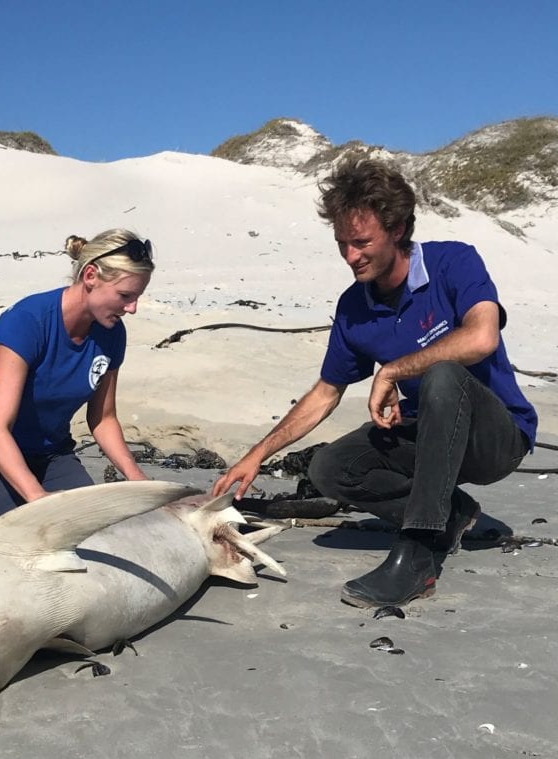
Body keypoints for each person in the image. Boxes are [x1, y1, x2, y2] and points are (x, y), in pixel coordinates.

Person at [212, 159, 537, 608]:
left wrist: (394, 369)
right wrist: (257, 454)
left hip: (495, 439)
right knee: (330, 468)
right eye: (342, 244)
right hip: (431, 437)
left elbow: (482, 337)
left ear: (398, 228)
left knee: (444, 374)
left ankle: (419, 552)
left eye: (362, 242)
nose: (350, 256)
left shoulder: (452, 262)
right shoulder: (354, 306)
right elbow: (326, 393)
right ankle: (451, 515)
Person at [0, 229, 153, 544]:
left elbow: (102, 419)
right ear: (90, 276)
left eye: (137, 297)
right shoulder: (29, 320)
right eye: (125, 296)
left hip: (51, 453)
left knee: (101, 533)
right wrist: (38, 499)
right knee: (44, 535)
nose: (132, 308)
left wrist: (138, 481)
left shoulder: (112, 333)